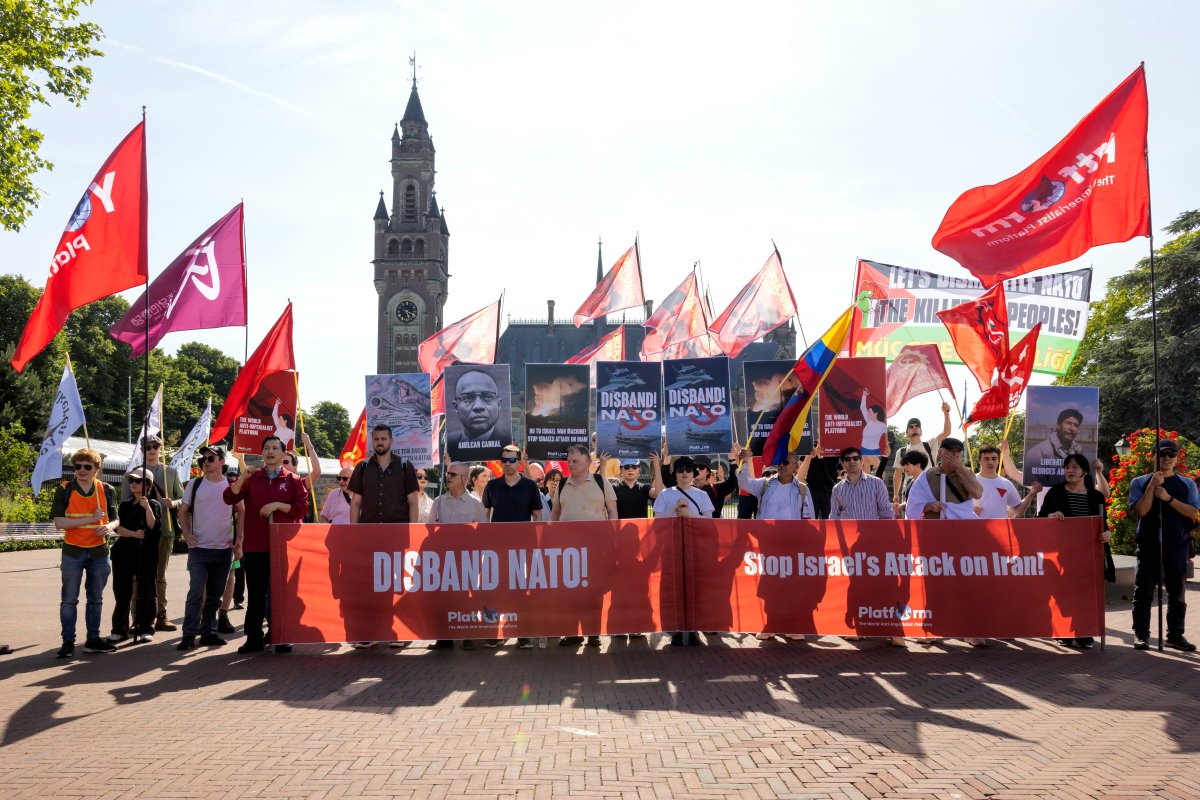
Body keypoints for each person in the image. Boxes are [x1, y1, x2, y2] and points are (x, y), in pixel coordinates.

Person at [223, 435, 308, 654]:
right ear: (261, 452)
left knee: (280, 594)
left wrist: (279, 505)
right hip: (255, 546)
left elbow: (301, 508)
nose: (270, 452)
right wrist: (242, 478)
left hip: (282, 547)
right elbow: (229, 498)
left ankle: (280, 635)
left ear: (283, 453)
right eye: (267, 448)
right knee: (256, 594)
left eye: (275, 448)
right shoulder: (252, 477)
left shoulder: (293, 480)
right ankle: (254, 637)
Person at [1128, 439, 1198, 652]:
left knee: (1177, 593)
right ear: (1153, 457)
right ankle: (1141, 634)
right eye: (1162, 454)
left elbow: (1192, 512)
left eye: (1171, 454)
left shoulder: (1187, 484)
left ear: (1176, 459)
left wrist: (1168, 498)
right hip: (1149, 544)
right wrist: (1152, 487)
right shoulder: (1139, 482)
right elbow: (1142, 510)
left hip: (1176, 544)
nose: (1167, 458)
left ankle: (1175, 635)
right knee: (1143, 591)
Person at [1038, 453, 1114, 649]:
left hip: (1089, 555)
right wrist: (1051, 516)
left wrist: (1108, 534)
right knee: (1063, 595)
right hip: (1062, 554)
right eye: (1067, 467)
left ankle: (1084, 633)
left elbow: (1104, 524)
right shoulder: (1055, 492)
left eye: (1074, 467)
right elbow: (1040, 518)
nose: (1070, 471)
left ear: (1084, 472)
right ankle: (1064, 631)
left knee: (1087, 595)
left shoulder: (1096, 496)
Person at [51, 448, 119, 658]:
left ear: (97, 468)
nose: (81, 470)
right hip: (73, 551)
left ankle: (93, 639)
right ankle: (68, 642)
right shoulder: (64, 489)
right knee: (69, 600)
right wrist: (90, 519)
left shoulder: (106, 489)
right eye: (77, 466)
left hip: (99, 552)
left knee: (96, 598)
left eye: (87, 466)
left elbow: (116, 519)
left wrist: (108, 527)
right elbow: (59, 523)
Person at [178, 446, 243, 651]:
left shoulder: (231, 485)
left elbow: (241, 511)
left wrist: (239, 540)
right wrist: (186, 533)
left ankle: (209, 633)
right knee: (196, 592)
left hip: (224, 550)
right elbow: (182, 511)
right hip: (199, 549)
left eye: (210, 458)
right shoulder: (195, 484)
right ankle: (189, 634)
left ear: (222, 461)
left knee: (215, 595)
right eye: (204, 459)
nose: (206, 461)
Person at [483, 444, 544, 649]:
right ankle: (496, 633)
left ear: (519, 463)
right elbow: (485, 514)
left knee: (522, 591)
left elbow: (537, 515)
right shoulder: (492, 486)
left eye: (511, 460)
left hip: (523, 548)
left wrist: (535, 541)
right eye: (504, 460)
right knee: (497, 590)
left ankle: (522, 634)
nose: (507, 464)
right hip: (496, 549)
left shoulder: (530, 486)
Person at [122, 435, 184, 634]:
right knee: (137, 577)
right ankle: (137, 618)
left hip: (164, 530)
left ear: (160, 448)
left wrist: (173, 503)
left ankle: (161, 616)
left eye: (155, 446)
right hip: (139, 532)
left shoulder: (170, 472)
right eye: (147, 447)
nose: (151, 450)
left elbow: (183, 499)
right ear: (142, 450)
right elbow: (124, 503)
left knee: (160, 576)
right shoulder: (133, 474)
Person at [428, 461, 490, 652]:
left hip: (467, 560)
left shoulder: (475, 504)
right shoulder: (438, 502)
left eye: (453, 474)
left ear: (464, 479)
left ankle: (468, 636)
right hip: (443, 560)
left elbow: (484, 533)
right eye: (448, 473)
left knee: (468, 597)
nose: (448, 477)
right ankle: (444, 638)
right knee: (444, 597)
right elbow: (429, 530)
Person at [652, 456, 713, 646]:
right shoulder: (665, 495)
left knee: (695, 589)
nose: (684, 473)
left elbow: (709, 523)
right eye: (680, 470)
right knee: (672, 591)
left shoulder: (702, 495)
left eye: (688, 469)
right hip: (671, 551)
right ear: (675, 474)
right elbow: (657, 523)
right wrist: (674, 509)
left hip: (696, 550)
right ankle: (676, 630)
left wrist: (690, 514)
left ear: (693, 473)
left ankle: (693, 629)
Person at [109, 467, 163, 645]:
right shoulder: (125, 504)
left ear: (147, 484)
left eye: (137, 481)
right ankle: (119, 629)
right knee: (122, 592)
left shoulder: (153, 504)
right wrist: (132, 534)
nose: (133, 484)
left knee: (147, 591)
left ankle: (146, 628)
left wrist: (147, 508)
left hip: (145, 554)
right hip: (123, 553)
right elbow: (118, 528)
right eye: (131, 480)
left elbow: (153, 526)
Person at [348, 425, 420, 525]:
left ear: (391, 440)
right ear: (372, 441)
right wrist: (354, 530)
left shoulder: (406, 466)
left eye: (383, 439)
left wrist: (413, 530)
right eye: (376, 439)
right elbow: (356, 503)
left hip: (398, 530)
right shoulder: (362, 467)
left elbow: (413, 502)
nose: (380, 442)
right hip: (368, 530)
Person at [905, 438, 983, 520]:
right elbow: (912, 506)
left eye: (959, 451)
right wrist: (929, 506)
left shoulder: (967, 472)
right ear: (940, 452)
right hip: (936, 526)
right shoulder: (927, 475)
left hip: (963, 525)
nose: (956, 455)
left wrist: (960, 470)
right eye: (951, 451)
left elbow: (977, 494)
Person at [891, 407, 952, 507]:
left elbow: (947, 432)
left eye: (917, 426)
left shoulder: (930, 445)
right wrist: (896, 494)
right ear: (907, 433)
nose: (914, 427)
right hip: (910, 492)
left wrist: (946, 413)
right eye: (911, 426)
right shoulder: (901, 452)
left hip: (930, 491)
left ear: (921, 431)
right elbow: (898, 473)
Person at [448, 369, 511, 448]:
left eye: (488, 397)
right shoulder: (450, 442)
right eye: (468, 398)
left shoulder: (507, 442)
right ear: (456, 407)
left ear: (498, 404)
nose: (478, 406)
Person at [975, 445, 1040, 520]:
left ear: (998, 461)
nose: (990, 462)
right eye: (986, 459)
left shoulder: (1006, 484)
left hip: (1001, 527)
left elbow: (1019, 511)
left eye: (994, 459)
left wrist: (1031, 494)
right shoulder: (971, 482)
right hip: (976, 527)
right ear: (979, 461)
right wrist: (970, 511)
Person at [1025, 408, 1085, 485]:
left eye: (1076, 425)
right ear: (1058, 425)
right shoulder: (1038, 451)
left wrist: (1098, 472)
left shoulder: (1078, 451)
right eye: (1068, 423)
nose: (1072, 428)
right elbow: (1031, 485)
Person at [894, 449, 928, 518]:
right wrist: (901, 506)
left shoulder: (927, 482)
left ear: (918, 465)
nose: (905, 467)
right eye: (904, 465)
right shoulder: (910, 481)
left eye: (907, 464)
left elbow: (927, 504)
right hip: (910, 520)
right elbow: (911, 503)